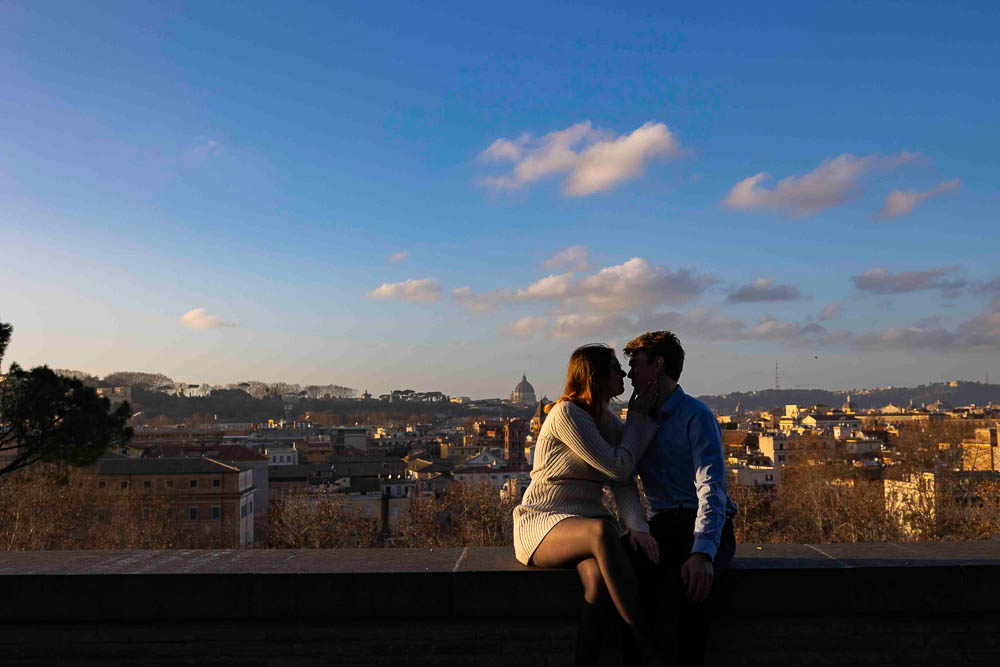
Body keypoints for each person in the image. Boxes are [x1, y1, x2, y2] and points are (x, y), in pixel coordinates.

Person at [513, 344, 665, 667]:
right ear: (595, 376)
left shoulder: (605, 421)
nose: (622, 373)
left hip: (581, 526)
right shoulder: (566, 414)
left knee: (597, 583)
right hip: (542, 522)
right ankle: (647, 648)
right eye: (614, 367)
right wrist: (636, 418)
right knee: (600, 531)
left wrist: (637, 528)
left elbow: (623, 479)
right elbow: (619, 467)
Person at [622, 331, 738, 667]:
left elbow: (711, 489)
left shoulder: (696, 415)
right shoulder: (639, 416)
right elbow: (623, 475)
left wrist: (703, 551)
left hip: (698, 523)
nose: (630, 375)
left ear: (658, 366)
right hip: (662, 524)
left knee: (686, 595)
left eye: (636, 365)